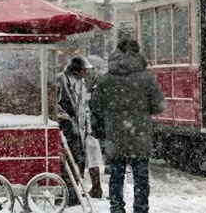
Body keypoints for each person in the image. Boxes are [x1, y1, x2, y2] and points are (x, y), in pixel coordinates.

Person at [91, 38, 166, 213]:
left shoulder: (106, 79)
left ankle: (116, 207)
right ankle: (140, 208)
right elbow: (158, 106)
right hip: (140, 135)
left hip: (115, 136)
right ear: (138, 53)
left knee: (116, 176)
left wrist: (110, 119)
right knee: (141, 177)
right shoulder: (146, 78)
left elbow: (95, 106)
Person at [56, 55, 93, 205]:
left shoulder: (82, 83)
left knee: (79, 161)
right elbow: (53, 103)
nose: (87, 73)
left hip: (80, 129)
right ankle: (66, 194)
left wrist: (87, 127)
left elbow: (84, 106)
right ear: (77, 70)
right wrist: (66, 118)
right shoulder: (61, 80)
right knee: (67, 163)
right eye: (85, 70)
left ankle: (74, 193)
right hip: (67, 129)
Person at [84, 55, 107, 198]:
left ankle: (95, 187)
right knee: (94, 157)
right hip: (97, 125)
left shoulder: (93, 85)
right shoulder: (101, 82)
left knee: (90, 156)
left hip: (92, 126)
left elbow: (95, 107)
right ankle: (96, 187)